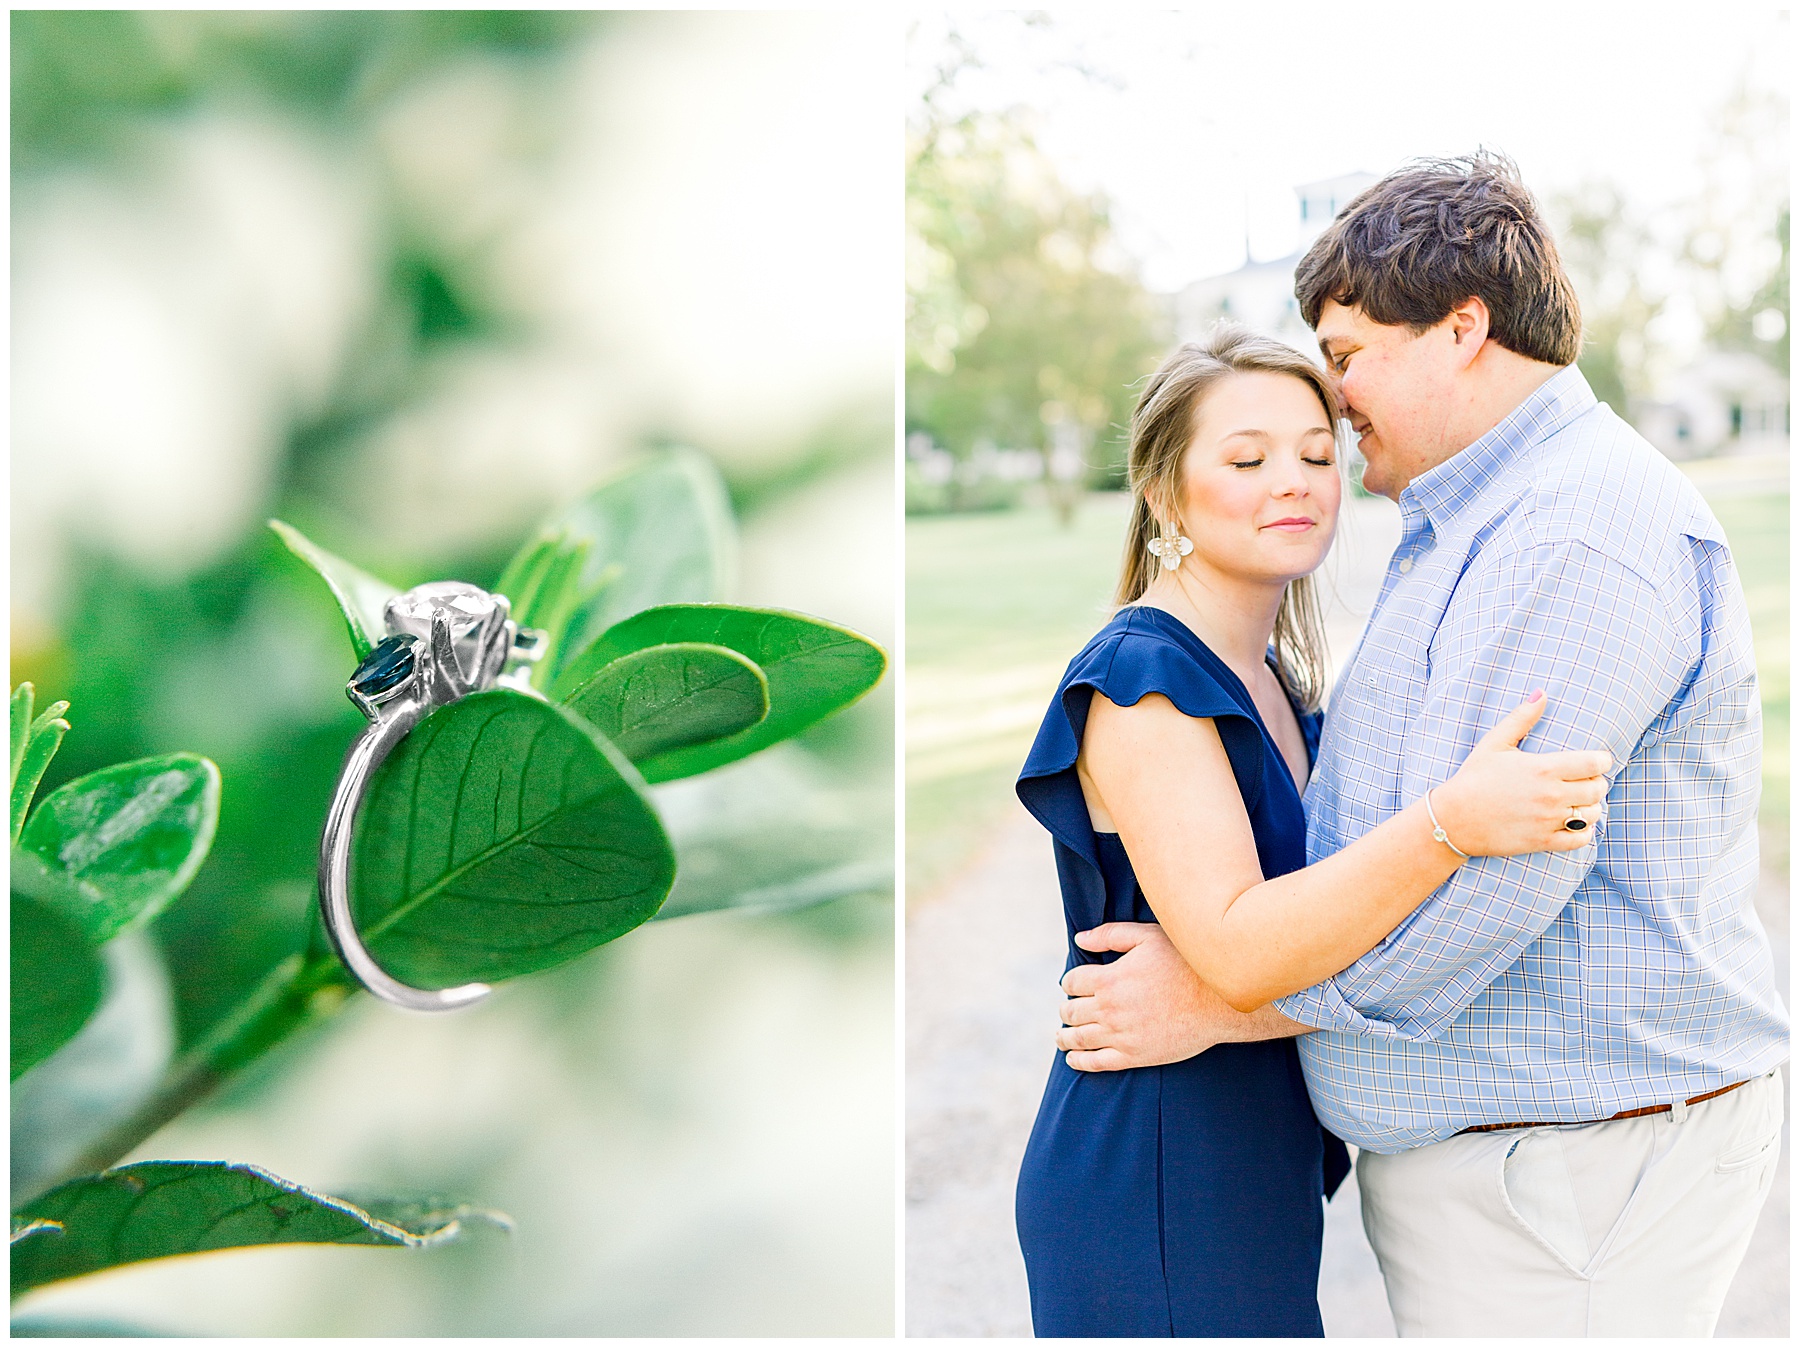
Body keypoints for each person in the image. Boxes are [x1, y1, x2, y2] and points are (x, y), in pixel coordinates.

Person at [1053, 153, 1789, 1337]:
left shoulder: (1574, 535)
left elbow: (1486, 895)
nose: (1333, 419)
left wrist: (1227, 1005)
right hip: (1508, 1186)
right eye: (1249, 455)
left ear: (1461, 328)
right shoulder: (1468, 521)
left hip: (1573, 1186)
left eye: (1346, 362)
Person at [1013, 322, 1612, 1337]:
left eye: (1317, 453)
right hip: (1156, 1175)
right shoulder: (1143, 685)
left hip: (1245, 1159)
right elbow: (1244, 947)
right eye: (1246, 459)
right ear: (1164, 492)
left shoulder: (1274, 681)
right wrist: (1451, 824)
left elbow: (1318, 927)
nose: (1292, 480)